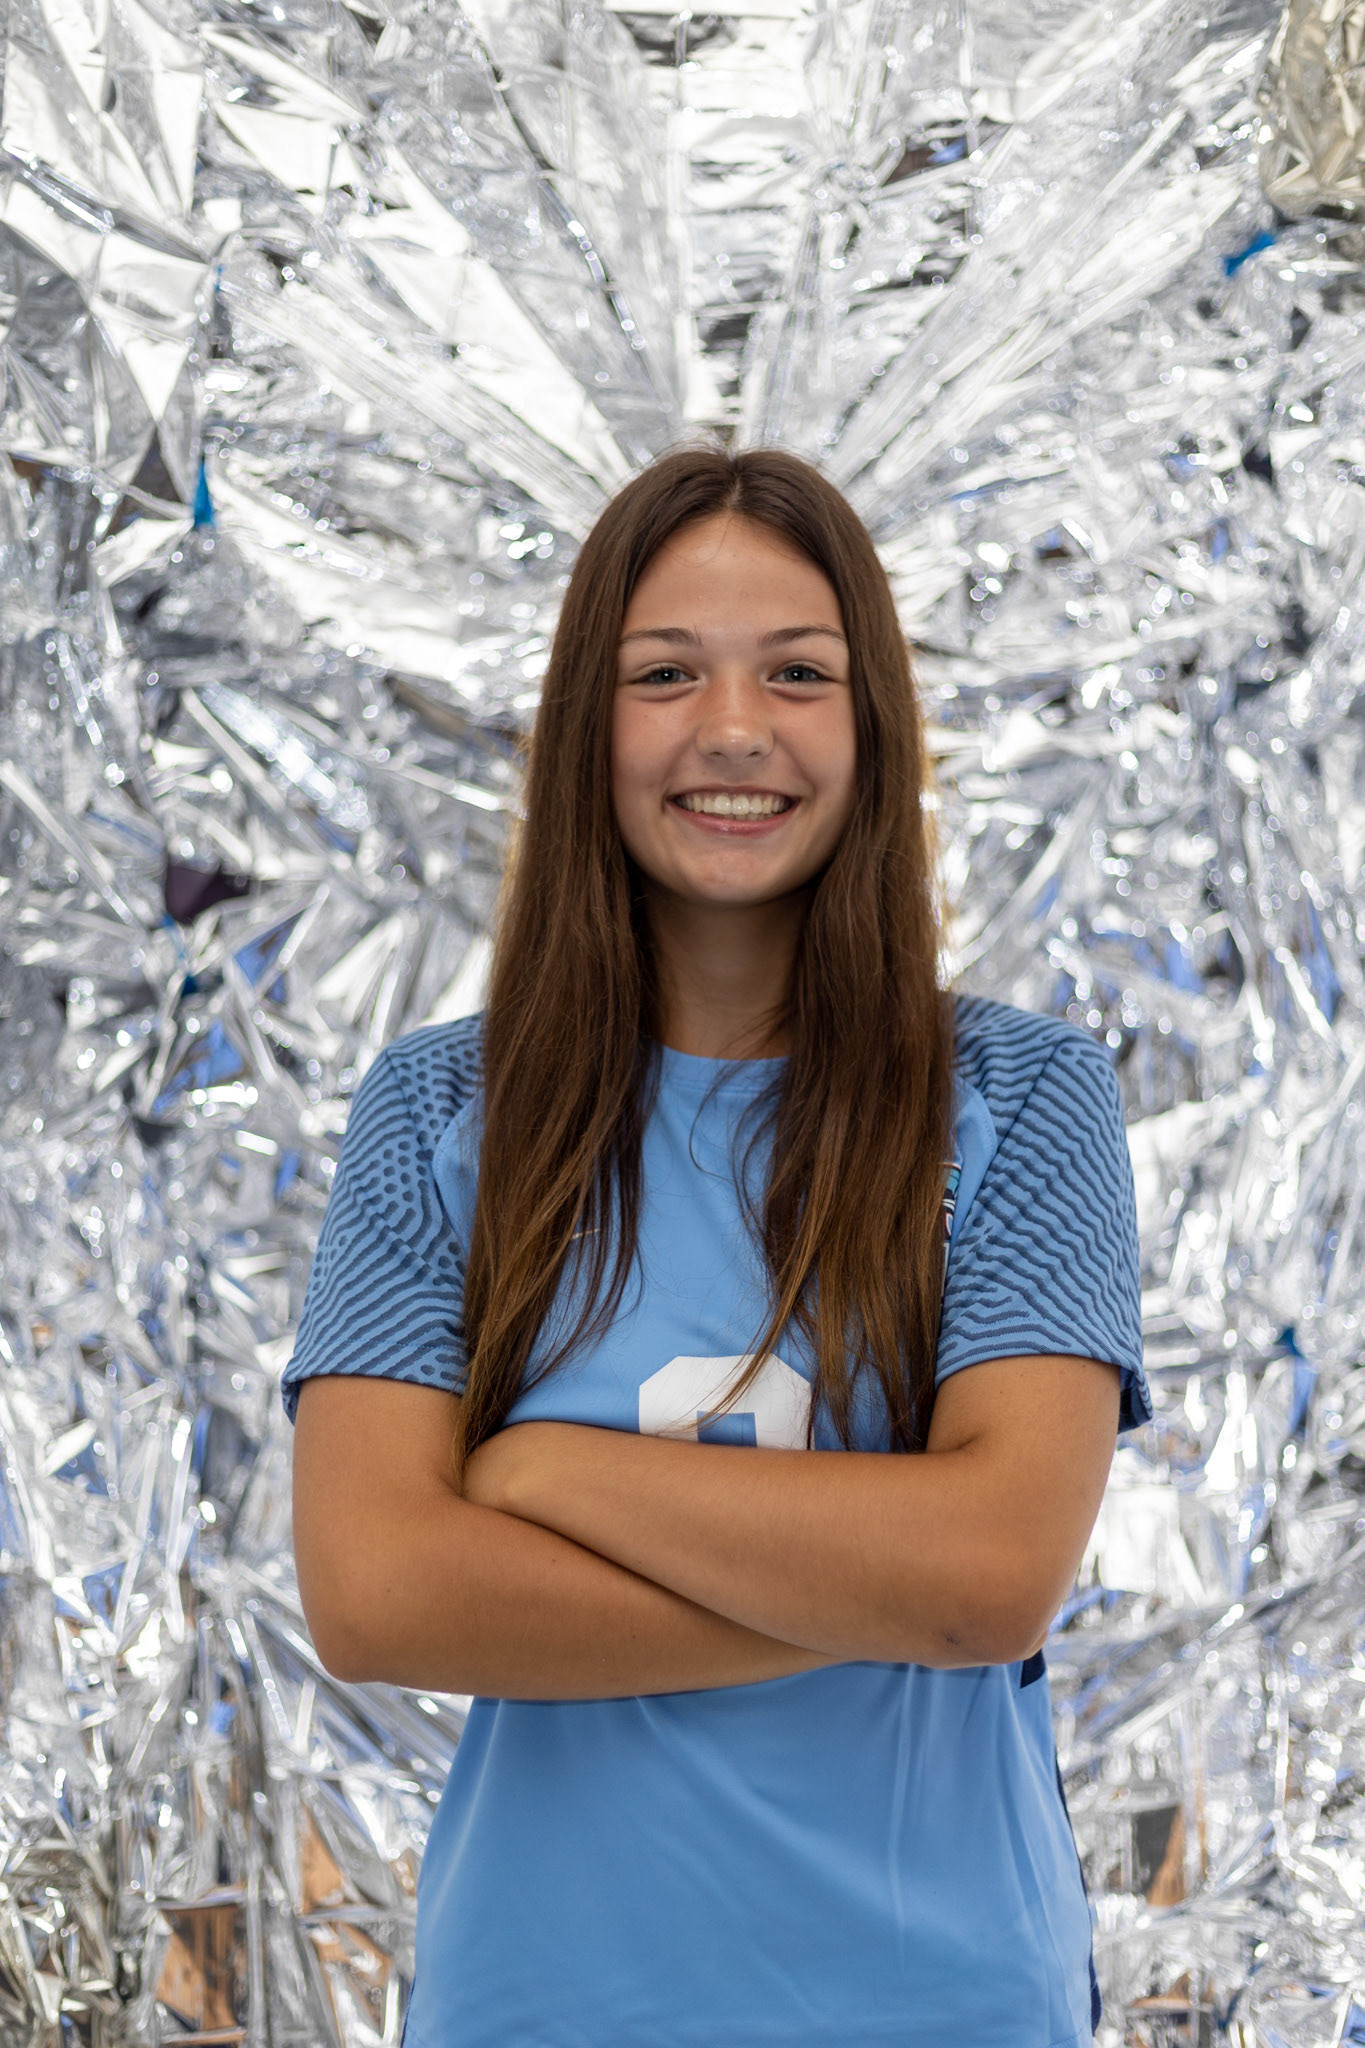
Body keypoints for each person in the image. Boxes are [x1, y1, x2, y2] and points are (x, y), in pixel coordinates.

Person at [284, 446, 1150, 2048]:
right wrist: (866, 1579)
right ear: (583, 731)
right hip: (542, 2006)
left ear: (874, 723)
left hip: (933, 2007)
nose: (733, 728)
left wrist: (543, 1472)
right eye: (664, 672)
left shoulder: (1023, 1100)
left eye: (799, 674)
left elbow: (987, 1577)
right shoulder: (437, 1111)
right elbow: (378, 1591)